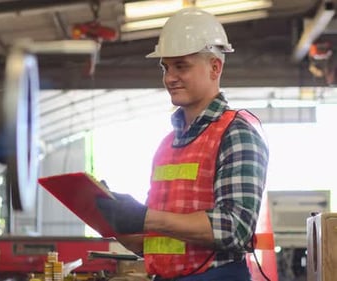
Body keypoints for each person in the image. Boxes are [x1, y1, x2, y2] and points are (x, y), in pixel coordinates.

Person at [95, 6, 269, 281]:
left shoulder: (236, 133)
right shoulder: (167, 145)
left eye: (181, 66)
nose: (169, 78)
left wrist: (144, 216)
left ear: (215, 67)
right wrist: (113, 219)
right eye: (166, 67)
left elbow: (235, 229)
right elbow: (150, 244)